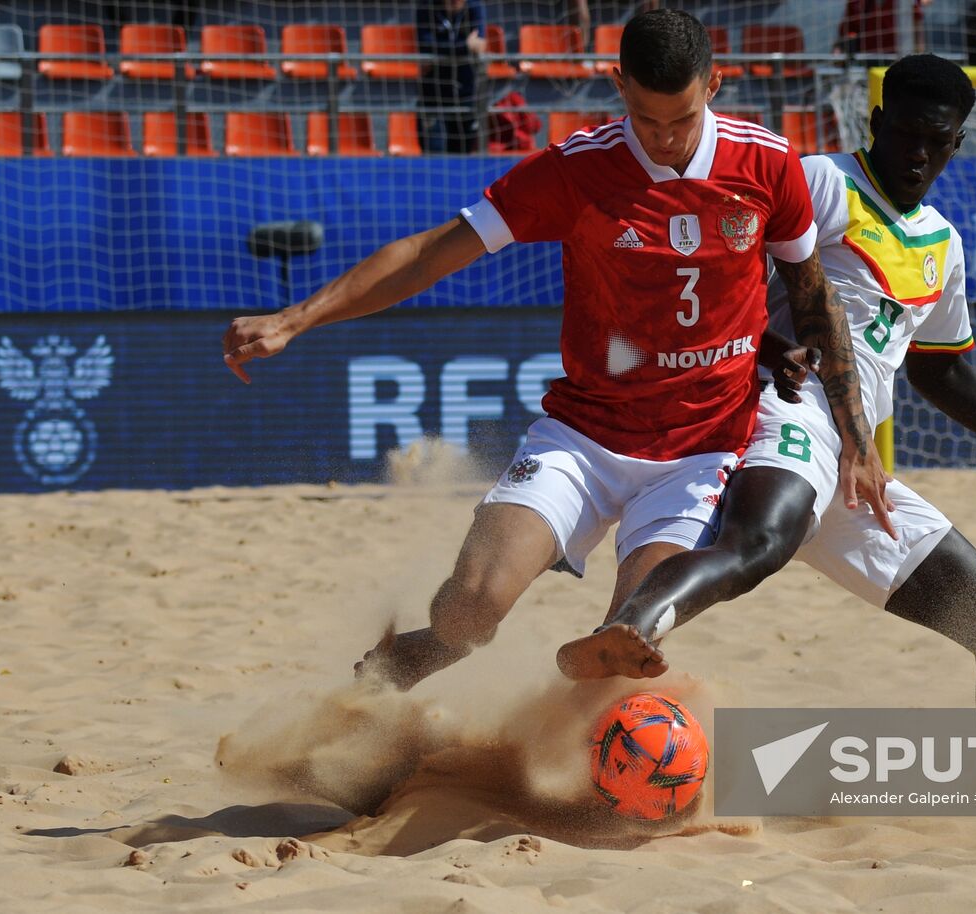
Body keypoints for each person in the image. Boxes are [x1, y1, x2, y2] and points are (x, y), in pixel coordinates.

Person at [222, 10, 887, 692]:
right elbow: (429, 253)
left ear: (714, 85)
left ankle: (572, 762)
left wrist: (856, 433)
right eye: (646, 117)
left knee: (627, 635)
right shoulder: (578, 170)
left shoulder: (768, 162)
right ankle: (422, 651)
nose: (663, 138)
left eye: (681, 119)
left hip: (702, 448)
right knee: (468, 609)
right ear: (617, 84)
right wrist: (293, 319)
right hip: (584, 437)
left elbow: (814, 298)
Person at [556, 54, 976, 711]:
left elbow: (940, 368)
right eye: (905, 133)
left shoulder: (944, 242)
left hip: (854, 466)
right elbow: (713, 271)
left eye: (934, 142)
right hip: (785, 408)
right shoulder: (825, 181)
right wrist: (770, 348)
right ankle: (624, 632)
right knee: (759, 544)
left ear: (956, 144)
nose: (916, 154)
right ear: (877, 122)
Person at [417, 0, 488, 153]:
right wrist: (465, 46)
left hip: (465, 92)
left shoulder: (474, 7)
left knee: (462, 152)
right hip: (433, 93)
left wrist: (442, 50)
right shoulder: (426, 8)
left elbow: (480, 44)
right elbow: (426, 45)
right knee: (433, 151)